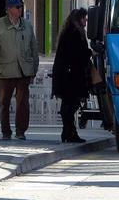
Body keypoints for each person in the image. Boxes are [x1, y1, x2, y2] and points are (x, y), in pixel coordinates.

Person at [0, 0, 39, 140]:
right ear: (9, 9)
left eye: (21, 6)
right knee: (4, 102)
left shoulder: (27, 25)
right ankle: (6, 132)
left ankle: (21, 131)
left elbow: (34, 48)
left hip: (24, 71)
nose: (20, 9)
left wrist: (34, 68)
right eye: (17, 7)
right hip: (5, 71)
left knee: (23, 102)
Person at [52, 8, 92, 143]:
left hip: (67, 75)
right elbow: (77, 54)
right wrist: (90, 53)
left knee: (69, 104)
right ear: (78, 19)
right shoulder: (74, 33)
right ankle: (69, 132)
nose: (86, 22)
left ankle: (68, 131)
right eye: (84, 19)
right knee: (70, 105)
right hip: (70, 76)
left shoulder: (69, 32)